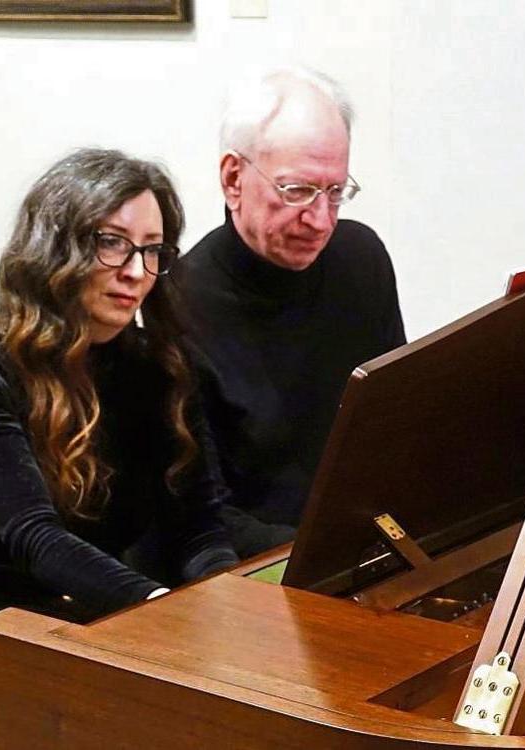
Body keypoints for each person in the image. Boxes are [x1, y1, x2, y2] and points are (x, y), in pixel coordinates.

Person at [0, 149, 238, 750]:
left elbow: (199, 527)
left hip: (100, 634)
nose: (135, 270)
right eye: (112, 243)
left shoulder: (163, 368)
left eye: (151, 249)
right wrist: (165, 614)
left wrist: (223, 607)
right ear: (57, 247)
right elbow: (38, 540)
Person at [177, 67, 406, 559]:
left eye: (336, 192)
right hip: (259, 565)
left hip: (365, 543)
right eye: (297, 191)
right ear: (233, 179)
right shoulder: (178, 306)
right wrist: (332, 552)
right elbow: (202, 519)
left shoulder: (360, 259)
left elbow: (395, 428)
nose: (321, 220)